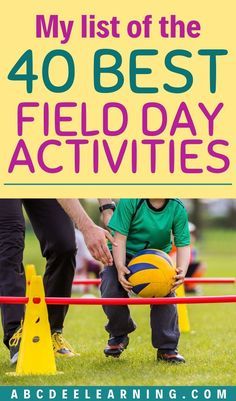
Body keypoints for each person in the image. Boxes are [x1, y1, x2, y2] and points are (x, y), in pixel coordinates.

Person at [0, 198, 115, 364]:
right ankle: (16, 334)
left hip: (39, 176)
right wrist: (87, 227)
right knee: (9, 241)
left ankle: (50, 331)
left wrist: (107, 209)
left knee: (64, 245)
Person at [100, 198, 190, 363]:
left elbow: (183, 243)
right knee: (110, 287)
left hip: (156, 258)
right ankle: (119, 333)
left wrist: (181, 270)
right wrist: (120, 267)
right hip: (123, 254)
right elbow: (119, 238)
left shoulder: (177, 208)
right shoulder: (130, 201)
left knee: (165, 295)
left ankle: (167, 348)